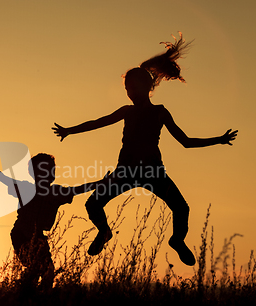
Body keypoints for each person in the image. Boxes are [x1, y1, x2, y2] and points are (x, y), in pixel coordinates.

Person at [52, 34, 238, 266]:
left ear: (146, 87)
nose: (129, 93)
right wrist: (70, 130)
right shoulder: (126, 111)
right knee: (93, 204)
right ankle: (104, 233)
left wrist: (218, 140)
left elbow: (186, 142)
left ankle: (177, 241)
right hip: (126, 172)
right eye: (127, 89)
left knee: (181, 208)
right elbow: (98, 122)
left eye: (132, 88)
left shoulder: (160, 112)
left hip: (153, 173)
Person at [0, 152, 108, 289]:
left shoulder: (56, 192)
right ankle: (25, 295)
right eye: (48, 169)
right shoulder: (26, 188)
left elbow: (79, 189)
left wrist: (101, 182)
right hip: (21, 236)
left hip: (38, 238)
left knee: (46, 272)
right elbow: (1, 177)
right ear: (36, 173)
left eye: (53, 168)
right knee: (38, 268)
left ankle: (33, 298)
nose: (52, 171)